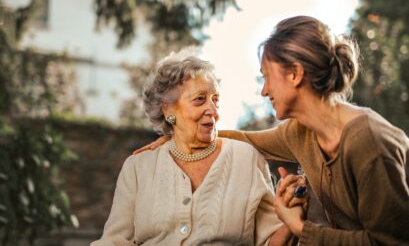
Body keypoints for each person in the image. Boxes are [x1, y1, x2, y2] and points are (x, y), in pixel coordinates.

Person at [135, 16, 409, 246]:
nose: (264, 90)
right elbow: (245, 138)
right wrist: (178, 133)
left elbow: (390, 242)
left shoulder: (369, 142)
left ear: (294, 74)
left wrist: (300, 228)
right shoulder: (300, 132)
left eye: (266, 76)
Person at [91, 52, 307, 246]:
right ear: (168, 110)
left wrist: (291, 222)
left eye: (215, 100)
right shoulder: (138, 167)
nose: (212, 110)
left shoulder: (246, 159)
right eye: (200, 100)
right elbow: (115, 241)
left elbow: (270, 241)